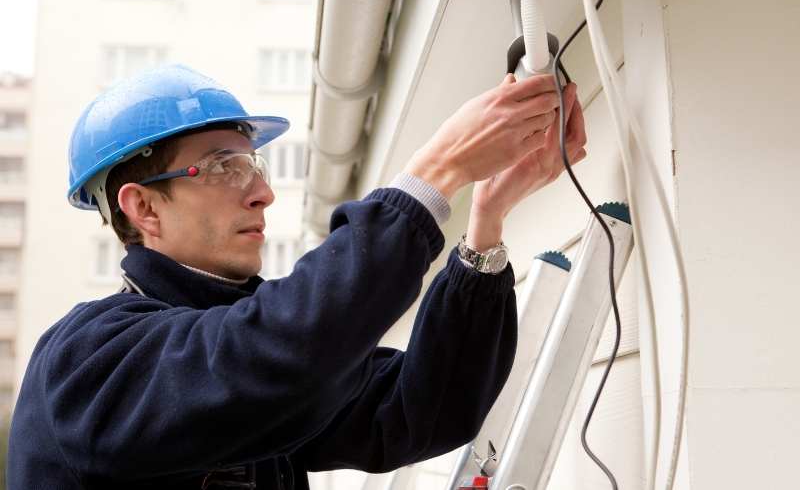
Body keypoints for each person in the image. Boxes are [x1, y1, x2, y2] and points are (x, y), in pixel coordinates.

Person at [7, 64, 586, 489]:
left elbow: (418, 411)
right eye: (224, 167)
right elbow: (275, 355)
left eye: (253, 165)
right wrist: (437, 172)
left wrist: (485, 222)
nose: (262, 192)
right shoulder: (88, 360)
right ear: (144, 208)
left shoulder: (256, 362)